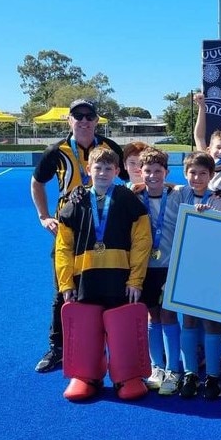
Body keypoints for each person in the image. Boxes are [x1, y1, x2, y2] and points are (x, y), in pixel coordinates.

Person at [31, 99, 127, 373]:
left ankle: (114, 347)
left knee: (109, 287)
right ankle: (57, 348)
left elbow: (133, 170)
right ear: (69, 120)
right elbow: (37, 182)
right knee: (64, 288)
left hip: (106, 229)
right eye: (78, 116)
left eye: (89, 116)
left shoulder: (109, 148)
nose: (84, 121)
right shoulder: (57, 150)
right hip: (69, 231)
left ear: (97, 120)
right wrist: (43, 216)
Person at [55, 147, 152, 401]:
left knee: (123, 325)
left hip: (120, 279)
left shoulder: (128, 199)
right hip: (85, 279)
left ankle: (127, 375)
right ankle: (86, 374)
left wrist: (135, 279)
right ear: (88, 170)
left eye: (109, 168)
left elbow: (142, 241)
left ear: (117, 172)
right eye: (98, 168)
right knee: (87, 324)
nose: (103, 172)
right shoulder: (74, 202)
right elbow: (63, 246)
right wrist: (66, 282)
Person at [174, 151, 221, 400]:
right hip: (184, 267)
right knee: (189, 321)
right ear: (185, 174)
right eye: (192, 173)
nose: (196, 177)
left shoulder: (219, 200)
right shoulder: (176, 194)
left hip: (210, 269)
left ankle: (213, 377)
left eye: (202, 173)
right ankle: (190, 373)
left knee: (211, 322)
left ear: (211, 175)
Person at [135, 147, 184, 396]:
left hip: (170, 267)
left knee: (169, 316)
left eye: (158, 171)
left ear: (166, 172)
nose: (153, 176)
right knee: (152, 317)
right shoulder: (134, 196)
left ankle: (174, 369)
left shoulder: (177, 194)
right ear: (139, 172)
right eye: (148, 171)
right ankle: (157, 368)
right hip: (145, 267)